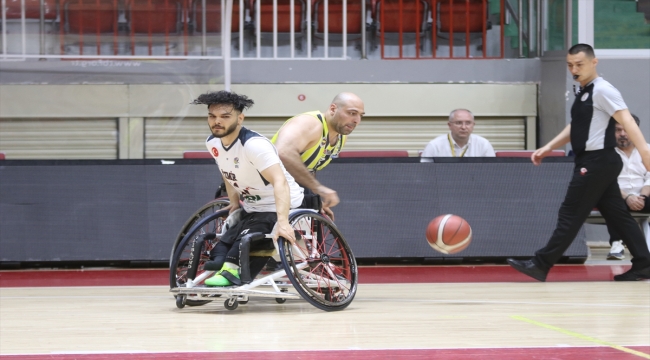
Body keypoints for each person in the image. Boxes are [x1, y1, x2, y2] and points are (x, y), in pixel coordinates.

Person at [507, 43, 650, 282]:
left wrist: (645, 152)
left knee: (570, 213)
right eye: (570, 64)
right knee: (617, 215)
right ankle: (644, 264)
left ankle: (540, 264)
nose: (574, 69)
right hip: (597, 161)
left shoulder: (603, 90)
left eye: (580, 64)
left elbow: (627, 121)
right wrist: (549, 146)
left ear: (594, 62)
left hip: (597, 162)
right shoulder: (584, 90)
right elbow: (577, 127)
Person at [191, 90, 304, 287]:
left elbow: (280, 182)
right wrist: (234, 203)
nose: (217, 121)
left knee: (250, 234)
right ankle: (218, 262)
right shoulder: (213, 143)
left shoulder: (254, 145)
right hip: (253, 206)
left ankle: (231, 270)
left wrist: (284, 222)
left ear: (240, 118)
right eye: (212, 116)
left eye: (225, 117)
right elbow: (228, 173)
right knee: (231, 231)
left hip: (280, 202)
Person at [271, 92, 365, 220]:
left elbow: (308, 169)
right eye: (352, 113)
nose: (357, 121)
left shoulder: (341, 137)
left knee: (314, 222)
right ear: (333, 109)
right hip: (266, 183)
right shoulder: (310, 123)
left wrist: (315, 199)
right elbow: (283, 152)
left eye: (360, 115)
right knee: (298, 234)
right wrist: (318, 188)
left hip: (290, 187)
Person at [606, 114, 650, 260]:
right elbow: (605, 181)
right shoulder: (605, 153)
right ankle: (617, 243)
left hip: (644, 195)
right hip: (618, 196)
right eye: (618, 130)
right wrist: (628, 197)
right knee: (611, 201)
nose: (623, 134)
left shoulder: (647, 150)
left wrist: (642, 196)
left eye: (627, 130)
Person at [421, 109, 495, 158]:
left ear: (473, 125)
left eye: (468, 123)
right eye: (459, 123)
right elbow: (425, 172)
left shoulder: (484, 144)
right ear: (450, 125)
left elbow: (492, 172)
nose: (463, 127)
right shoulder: (435, 145)